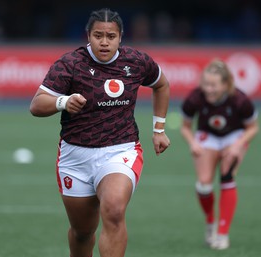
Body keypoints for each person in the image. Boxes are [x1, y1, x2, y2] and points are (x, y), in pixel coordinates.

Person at [30, 8, 170, 257]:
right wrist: (63, 102)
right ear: (88, 35)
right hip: (75, 157)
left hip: (121, 150)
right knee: (83, 231)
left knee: (114, 211)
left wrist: (159, 129)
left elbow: (161, 84)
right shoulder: (70, 63)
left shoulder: (136, 61)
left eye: (111, 36)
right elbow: (37, 105)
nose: (104, 42)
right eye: (98, 35)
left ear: (120, 37)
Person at [180, 59, 259, 250]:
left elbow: (253, 128)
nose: (209, 89)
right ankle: (210, 222)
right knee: (204, 185)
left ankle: (222, 234)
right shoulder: (195, 98)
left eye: (214, 85)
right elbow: (185, 127)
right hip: (208, 137)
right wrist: (193, 143)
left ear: (225, 84)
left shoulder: (240, 100)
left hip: (234, 136)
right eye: (205, 84)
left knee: (226, 176)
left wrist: (238, 145)